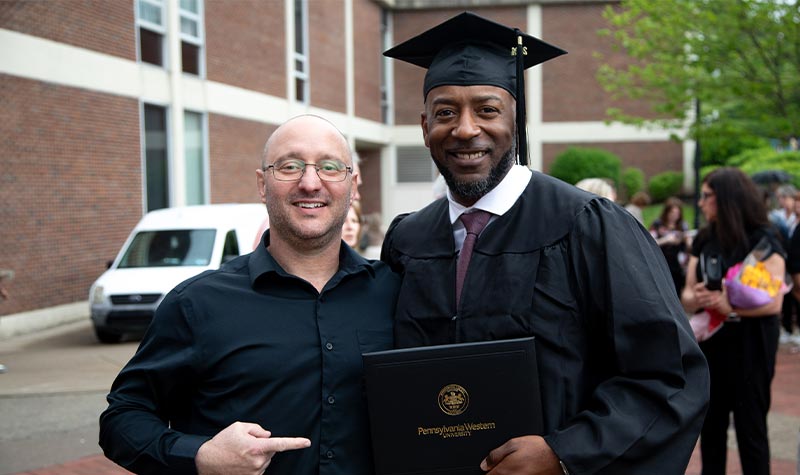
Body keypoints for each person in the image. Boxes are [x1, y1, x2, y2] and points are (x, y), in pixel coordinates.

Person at [381, 11, 709, 475]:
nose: (465, 129)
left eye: (487, 109)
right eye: (445, 113)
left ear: (517, 118)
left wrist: (565, 454)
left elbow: (667, 377)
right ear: (423, 126)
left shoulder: (588, 225)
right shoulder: (408, 239)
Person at [100, 114, 400, 475]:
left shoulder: (393, 292)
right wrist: (199, 455)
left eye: (330, 167)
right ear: (262, 184)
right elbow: (122, 417)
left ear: (352, 185)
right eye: (289, 166)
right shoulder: (198, 303)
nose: (309, 182)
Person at [681, 167, 786, 475]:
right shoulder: (704, 239)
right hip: (712, 347)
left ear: (727, 198)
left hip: (752, 345)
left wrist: (729, 306)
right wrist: (697, 297)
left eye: (707, 196)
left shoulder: (763, 241)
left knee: (751, 428)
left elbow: (774, 302)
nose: (701, 203)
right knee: (710, 429)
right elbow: (686, 292)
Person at [650, 197, 690, 297]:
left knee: (676, 291)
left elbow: (688, 245)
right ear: (666, 212)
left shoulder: (682, 226)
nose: (674, 216)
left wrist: (686, 240)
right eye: (672, 213)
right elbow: (650, 242)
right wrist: (666, 240)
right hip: (661, 262)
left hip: (677, 265)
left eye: (677, 213)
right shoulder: (658, 224)